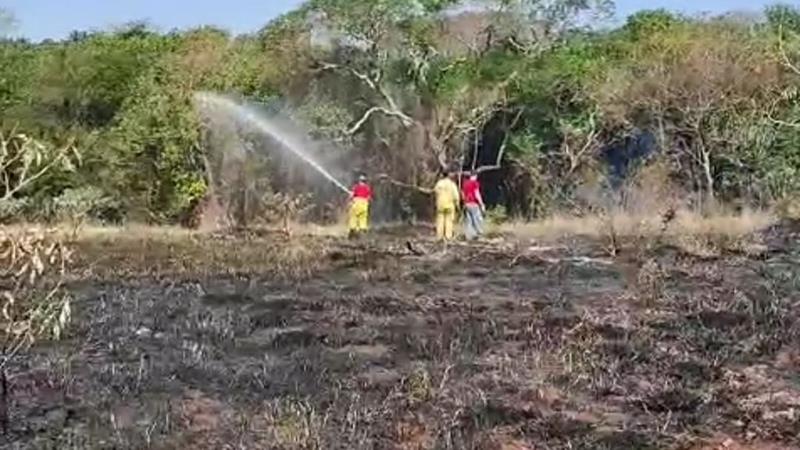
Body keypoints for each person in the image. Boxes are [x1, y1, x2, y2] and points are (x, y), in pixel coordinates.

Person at [434, 169, 461, 241]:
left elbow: (435, 192)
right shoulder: (452, 184)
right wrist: (457, 204)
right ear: (448, 175)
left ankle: (439, 236)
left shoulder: (439, 183)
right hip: (450, 204)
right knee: (449, 221)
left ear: (442, 175)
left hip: (440, 204)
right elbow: (456, 196)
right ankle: (448, 236)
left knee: (440, 220)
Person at [462, 171, 485, 240]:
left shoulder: (465, 183)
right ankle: (479, 234)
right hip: (473, 203)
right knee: (477, 219)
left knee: (469, 220)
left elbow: (462, 193)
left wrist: (464, 201)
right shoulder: (475, 183)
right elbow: (476, 193)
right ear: (475, 176)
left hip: (467, 203)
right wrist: (481, 203)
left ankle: (469, 235)